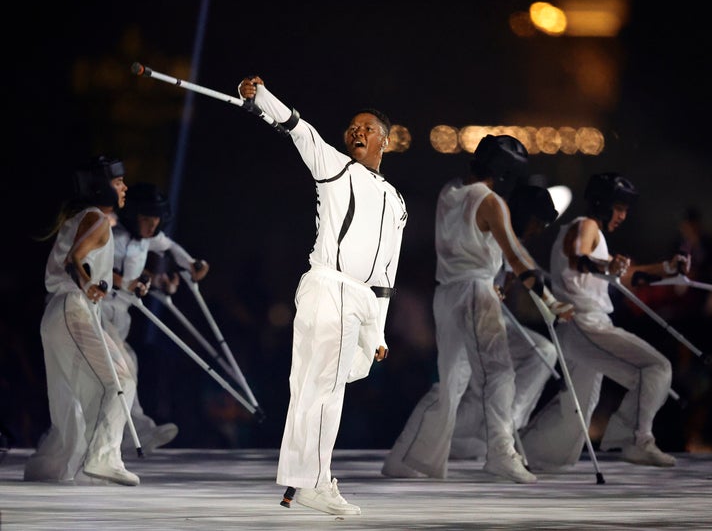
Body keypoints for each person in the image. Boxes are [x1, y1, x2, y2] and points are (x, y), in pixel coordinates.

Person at [238, 76, 407, 515]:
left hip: (360, 300)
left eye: (367, 128)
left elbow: (387, 269)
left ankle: (300, 478)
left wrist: (379, 330)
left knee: (321, 386)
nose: (357, 131)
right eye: (352, 126)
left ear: (384, 141)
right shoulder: (334, 166)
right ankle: (312, 482)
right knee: (321, 389)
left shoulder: (396, 200)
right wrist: (262, 99)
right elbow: (299, 129)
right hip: (327, 287)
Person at [381, 135, 573, 484]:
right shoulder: (491, 201)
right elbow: (516, 256)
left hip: (448, 294)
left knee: (450, 383)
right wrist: (550, 301)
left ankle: (402, 457)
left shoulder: (449, 191)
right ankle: (500, 453)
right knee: (499, 373)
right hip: (475, 291)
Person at [520, 172, 689, 469]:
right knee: (655, 368)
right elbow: (579, 258)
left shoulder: (592, 234)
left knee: (577, 409)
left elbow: (625, 276)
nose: (623, 216)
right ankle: (636, 441)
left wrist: (667, 268)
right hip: (585, 324)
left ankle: (530, 454)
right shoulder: (586, 226)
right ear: (601, 203)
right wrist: (605, 264)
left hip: (578, 326)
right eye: (619, 208)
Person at [24, 155, 140, 486]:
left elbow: (83, 259)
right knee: (122, 381)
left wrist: (121, 284)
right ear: (102, 187)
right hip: (73, 311)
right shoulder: (98, 219)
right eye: (119, 182)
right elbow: (77, 257)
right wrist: (88, 283)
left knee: (87, 391)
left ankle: (70, 464)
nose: (124, 188)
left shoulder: (84, 217)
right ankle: (103, 457)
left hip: (61, 312)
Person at [449, 184, 560, 460]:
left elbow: (528, 271)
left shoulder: (514, 241)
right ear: (523, 215)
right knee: (472, 388)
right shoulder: (486, 231)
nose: (538, 230)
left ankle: (505, 428)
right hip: (465, 318)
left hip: (494, 321)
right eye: (537, 222)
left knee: (544, 352)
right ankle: (459, 438)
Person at [101, 182, 209, 455]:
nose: (153, 225)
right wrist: (127, 282)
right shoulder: (112, 235)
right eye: (146, 219)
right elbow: (98, 270)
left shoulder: (149, 239)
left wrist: (191, 264)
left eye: (157, 219)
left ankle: (131, 432)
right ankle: (135, 430)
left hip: (122, 314)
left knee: (127, 367)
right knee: (122, 368)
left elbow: (171, 247)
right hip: (100, 309)